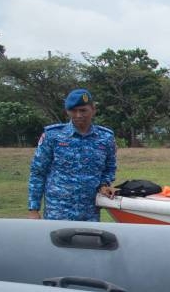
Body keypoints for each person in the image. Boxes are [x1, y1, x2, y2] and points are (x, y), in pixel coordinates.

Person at [27, 88, 117, 221]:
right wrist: (33, 209)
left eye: (83, 110)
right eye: (73, 111)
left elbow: (110, 167)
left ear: (93, 109)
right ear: (67, 111)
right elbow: (38, 172)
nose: (78, 115)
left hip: (90, 211)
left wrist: (104, 184)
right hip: (57, 211)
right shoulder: (53, 135)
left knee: (90, 241)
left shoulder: (106, 138)